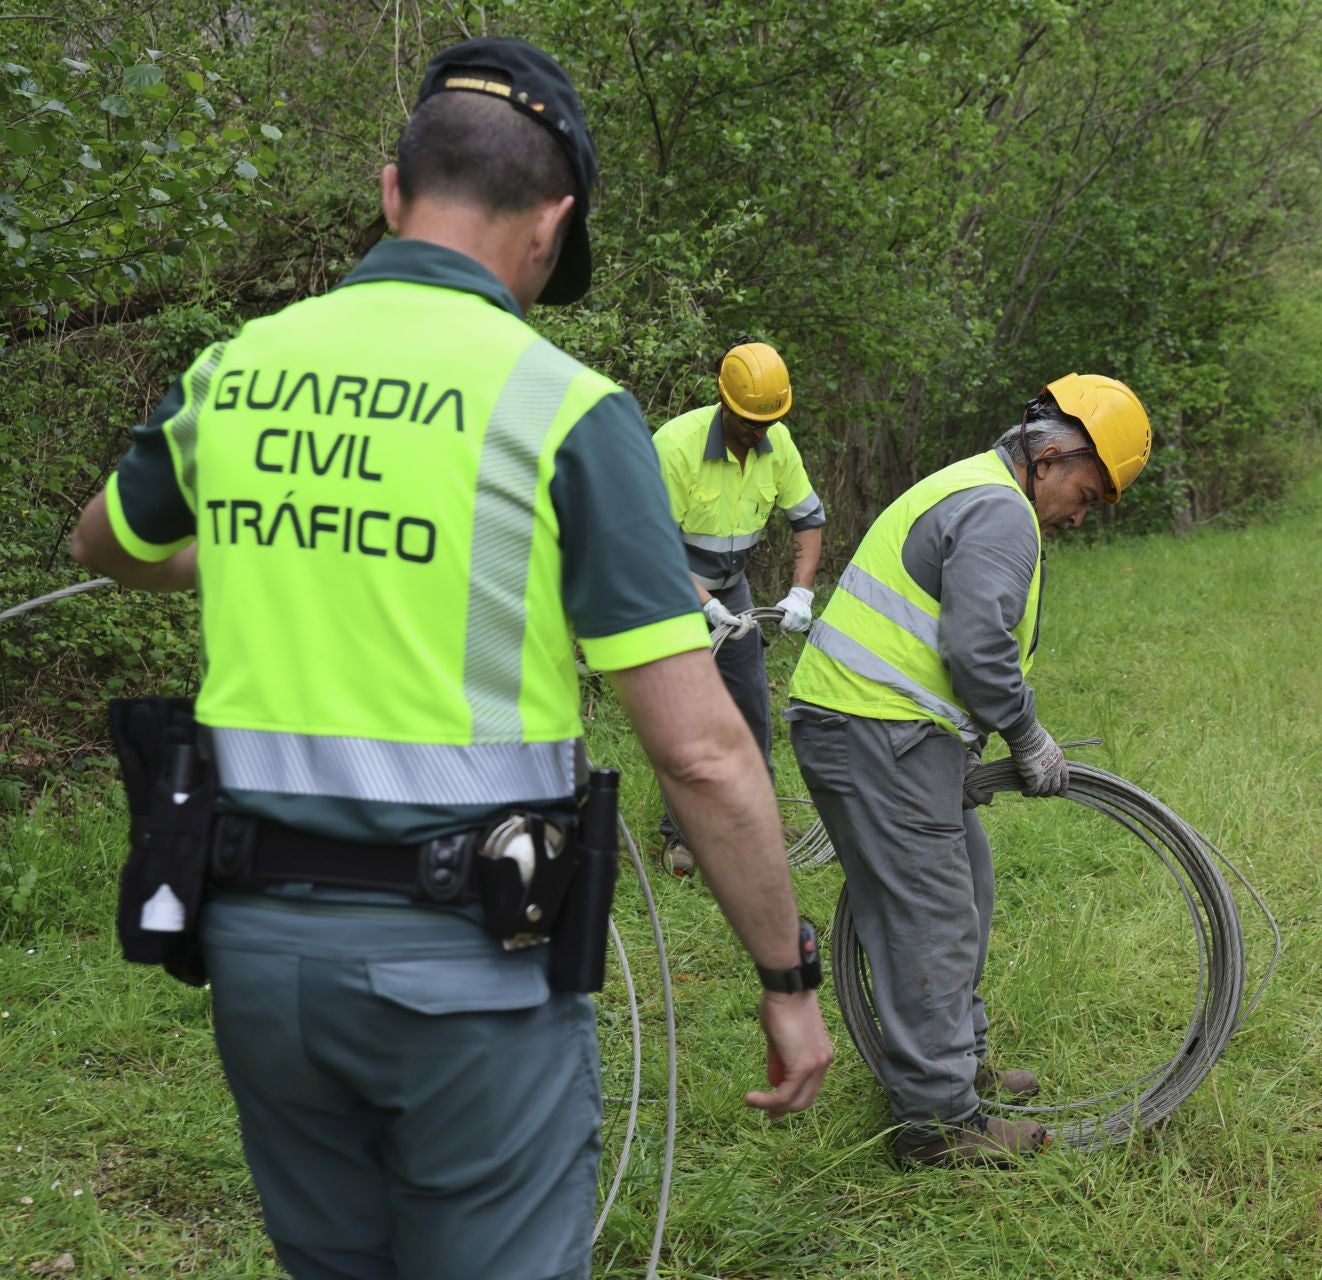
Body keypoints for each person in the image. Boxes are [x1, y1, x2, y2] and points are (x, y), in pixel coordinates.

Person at [69, 38, 831, 1279]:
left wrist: (273, 544)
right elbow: (697, 745)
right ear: (551, 223)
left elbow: (108, 540)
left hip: (258, 954)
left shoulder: (237, 369)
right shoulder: (566, 409)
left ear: (390, 191)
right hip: (466, 970)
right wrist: (785, 972)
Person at [784, 374, 1150, 1167]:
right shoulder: (1000, 513)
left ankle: (957, 1062)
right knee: (932, 917)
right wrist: (1027, 734)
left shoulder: (979, 489)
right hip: (875, 729)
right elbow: (977, 651)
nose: (1082, 516)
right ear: (1051, 457)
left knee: (966, 888)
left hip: (888, 729)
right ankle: (939, 1124)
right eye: (1086, 494)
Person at [651, 341, 825, 875]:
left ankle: (757, 816)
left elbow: (809, 521)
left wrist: (801, 591)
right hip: (668, 589)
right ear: (724, 403)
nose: (758, 432)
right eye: (749, 421)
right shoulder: (675, 447)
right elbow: (651, 545)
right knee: (689, 718)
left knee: (750, 705)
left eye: (768, 421)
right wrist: (702, 607)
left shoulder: (778, 444)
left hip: (733, 592)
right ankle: (682, 838)